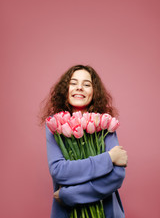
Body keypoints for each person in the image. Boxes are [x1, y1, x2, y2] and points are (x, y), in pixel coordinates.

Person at [40, 65, 128, 218]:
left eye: (86, 84)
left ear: (94, 92)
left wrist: (70, 195)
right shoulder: (54, 125)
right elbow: (59, 171)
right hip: (67, 214)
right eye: (73, 83)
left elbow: (117, 176)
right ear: (65, 89)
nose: (79, 88)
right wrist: (108, 158)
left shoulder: (104, 124)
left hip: (107, 212)